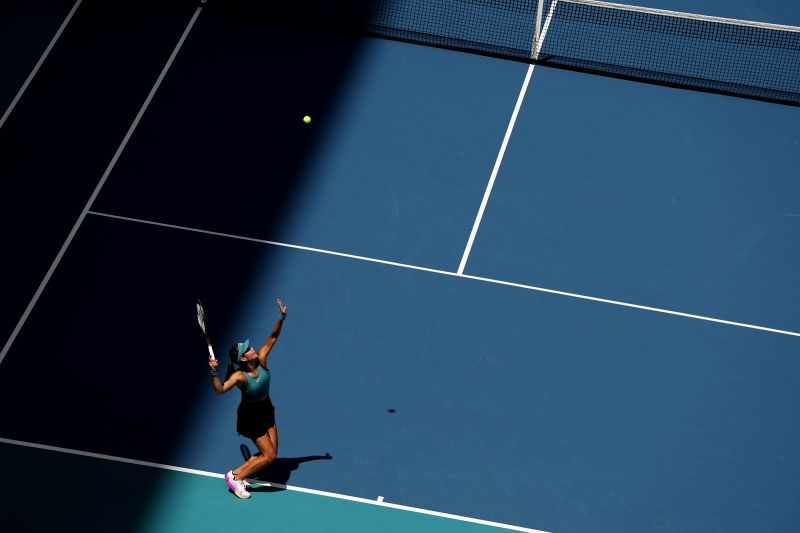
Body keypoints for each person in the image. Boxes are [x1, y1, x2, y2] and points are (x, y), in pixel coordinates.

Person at [209, 298, 287, 499]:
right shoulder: (239, 377)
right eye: (248, 350)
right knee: (269, 456)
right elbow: (220, 390)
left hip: (266, 408)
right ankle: (235, 476)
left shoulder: (261, 358)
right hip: (251, 416)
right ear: (243, 359)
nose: (253, 349)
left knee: (271, 452)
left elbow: (273, 337)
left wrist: (282, 317)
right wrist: (213, 371)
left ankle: (239, 474)